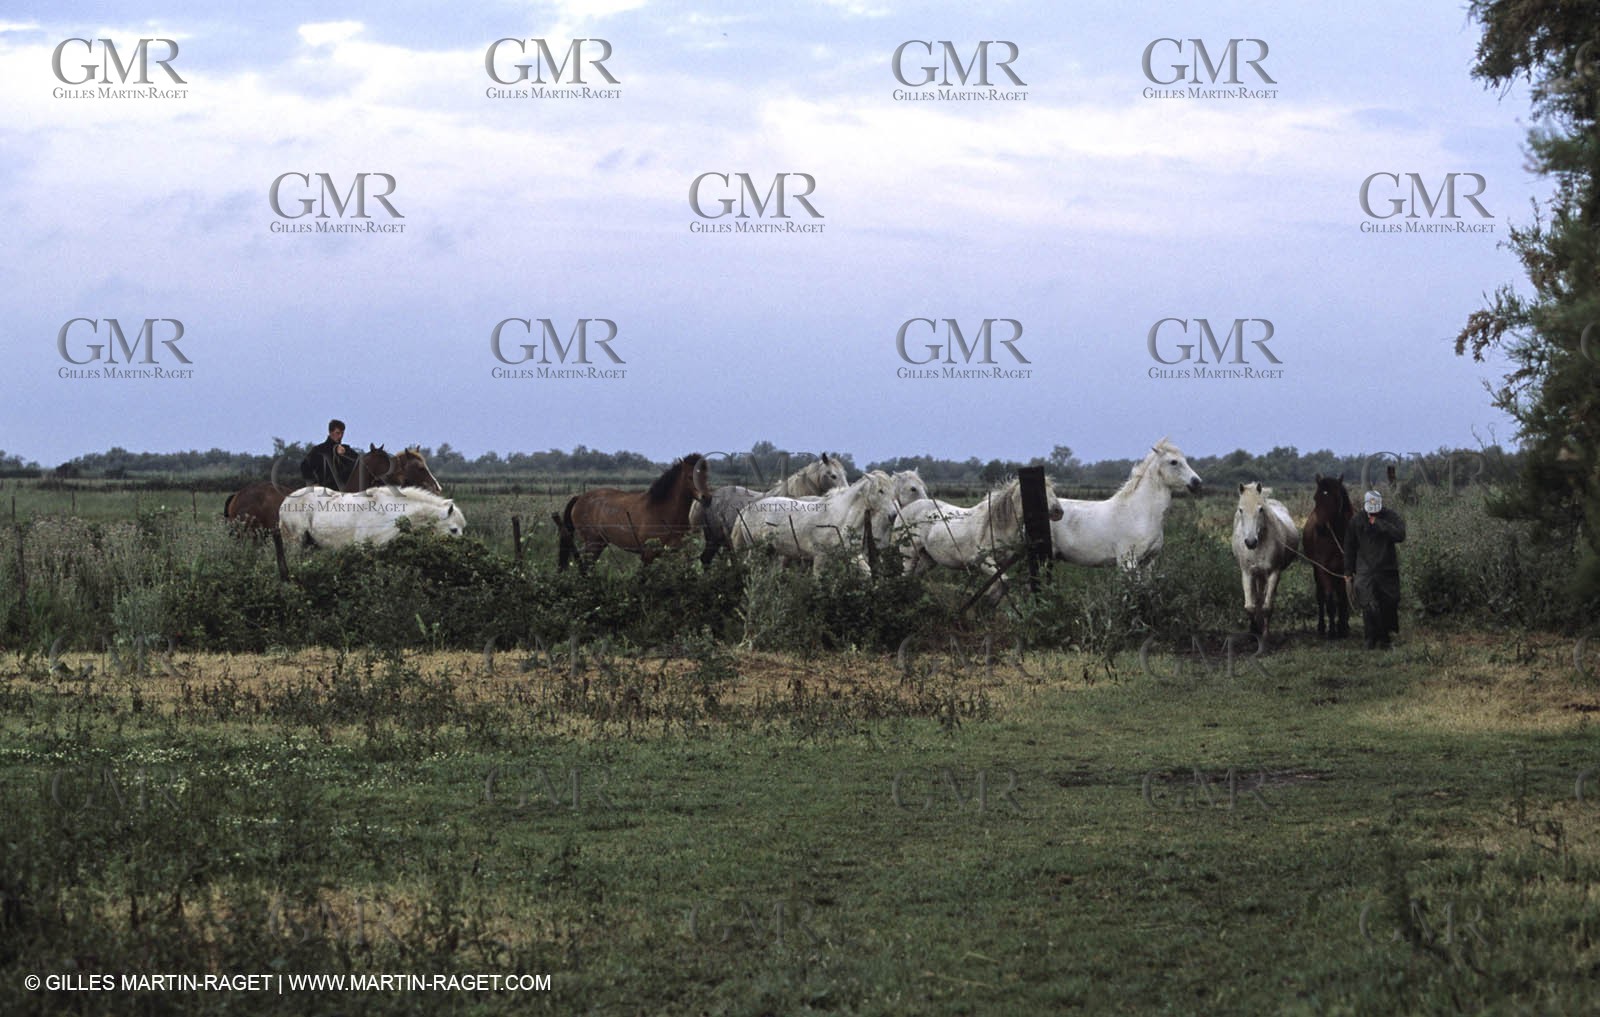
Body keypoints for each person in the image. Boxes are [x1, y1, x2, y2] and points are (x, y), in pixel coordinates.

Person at [1344, 489, 1406, 649]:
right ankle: (1370, 638)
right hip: (1365, 569)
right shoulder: (1356, 521)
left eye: (1376, 509)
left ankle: (1385, 638)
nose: (1373, 512)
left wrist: (1378, 524)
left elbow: (1400, 535)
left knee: (1389, 602)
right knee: (1368, 604)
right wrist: (1348, 572)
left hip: (1387, 568)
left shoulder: (1390, 516)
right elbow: (1350, 547)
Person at [300, 419, 360, 488]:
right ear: (330, 432)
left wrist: (344, 455)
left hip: (344, 492)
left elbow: (359, 464)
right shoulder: (319, 450)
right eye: (338, 433)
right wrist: (313, 483)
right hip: (324, 492)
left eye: (342, 433)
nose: (340, 436)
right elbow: (304, 466)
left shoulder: (346, 450)